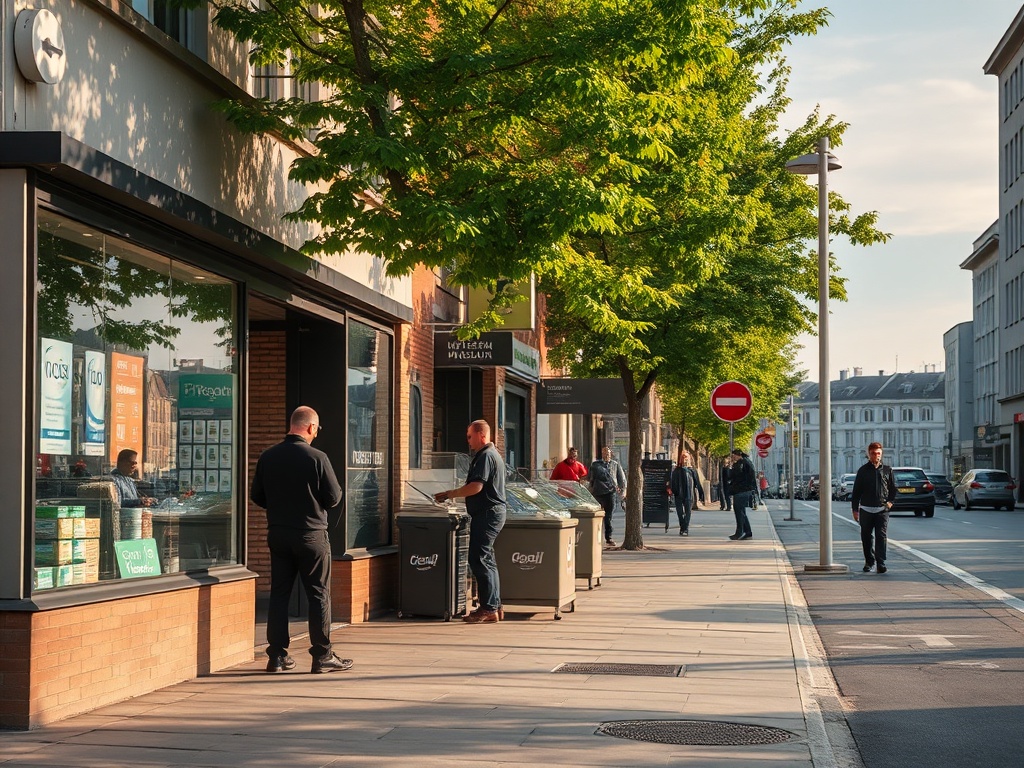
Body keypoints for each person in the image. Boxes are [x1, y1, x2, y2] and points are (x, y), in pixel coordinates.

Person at [251, 406, 350, 674]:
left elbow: (257, 496)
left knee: (279, 594)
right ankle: (322, 656)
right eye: (316, 429)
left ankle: (277, 657)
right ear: (310, 427)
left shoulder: (268, 456)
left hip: (279, 533)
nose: (316, 433)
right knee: (318, 594)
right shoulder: (317, 457)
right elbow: (333, 497)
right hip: (311, 535)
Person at [434, 420, 507, 623]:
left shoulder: (485, 456)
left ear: (481, 435)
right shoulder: (492, 454)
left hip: (487, 513)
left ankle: (488, 608)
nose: (468, 441)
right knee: (486, 558)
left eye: (469, 436)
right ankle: (494, 606)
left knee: (479, 558)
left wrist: (450, 494)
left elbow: (476, 486)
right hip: (490, 513)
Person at [850, 441, 897, 574]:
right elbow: (856, 492)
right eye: (873, 453)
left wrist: (890, 503)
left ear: (881, 454)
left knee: (881, 536)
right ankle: (869, 562)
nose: (875, 456)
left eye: (878, 453)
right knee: (866, 537)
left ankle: (880, 562)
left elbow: (893, 489)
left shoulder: (888, 470)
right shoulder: (863, 471)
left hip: (882, 510)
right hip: (866, 509)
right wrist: (855, 509)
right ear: (868, 454)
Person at [589, 446, 626, 546]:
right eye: (604, 452)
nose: (606, 454)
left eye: (608, 453)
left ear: (611, 454)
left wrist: (623, 491)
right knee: (598, 515)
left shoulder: (615, 464)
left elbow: (621, 478)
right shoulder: (595, 465)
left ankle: (608, 537)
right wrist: (590, 490)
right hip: (598, 493)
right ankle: (596, 536)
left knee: (608, 516)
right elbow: (591, 479)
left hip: (610, 493)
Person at [669, 450, 705, 536]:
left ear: (689, 459)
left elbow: (697, 483)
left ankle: (685, 528)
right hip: (678, 494)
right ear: (680, 459)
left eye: (686, 457)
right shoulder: (676, 471)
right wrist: (672, 491)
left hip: (689, 494)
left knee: (688, 512)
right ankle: (683, 527)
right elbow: (672, 482)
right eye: (683, 457)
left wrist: (701, 494)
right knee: (680, 512)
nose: (685, 459)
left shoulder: (692, 471)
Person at [727, 448, 756, 540]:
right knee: (742, 512)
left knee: (739, 511)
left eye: (734, 456)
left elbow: (734, 476)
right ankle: (748, 532)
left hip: (741, 490)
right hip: (744, 490)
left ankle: (740, 532)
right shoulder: (747, 462)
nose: (733, 457)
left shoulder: (741, 464)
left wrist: (730, 468)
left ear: (738, 455)